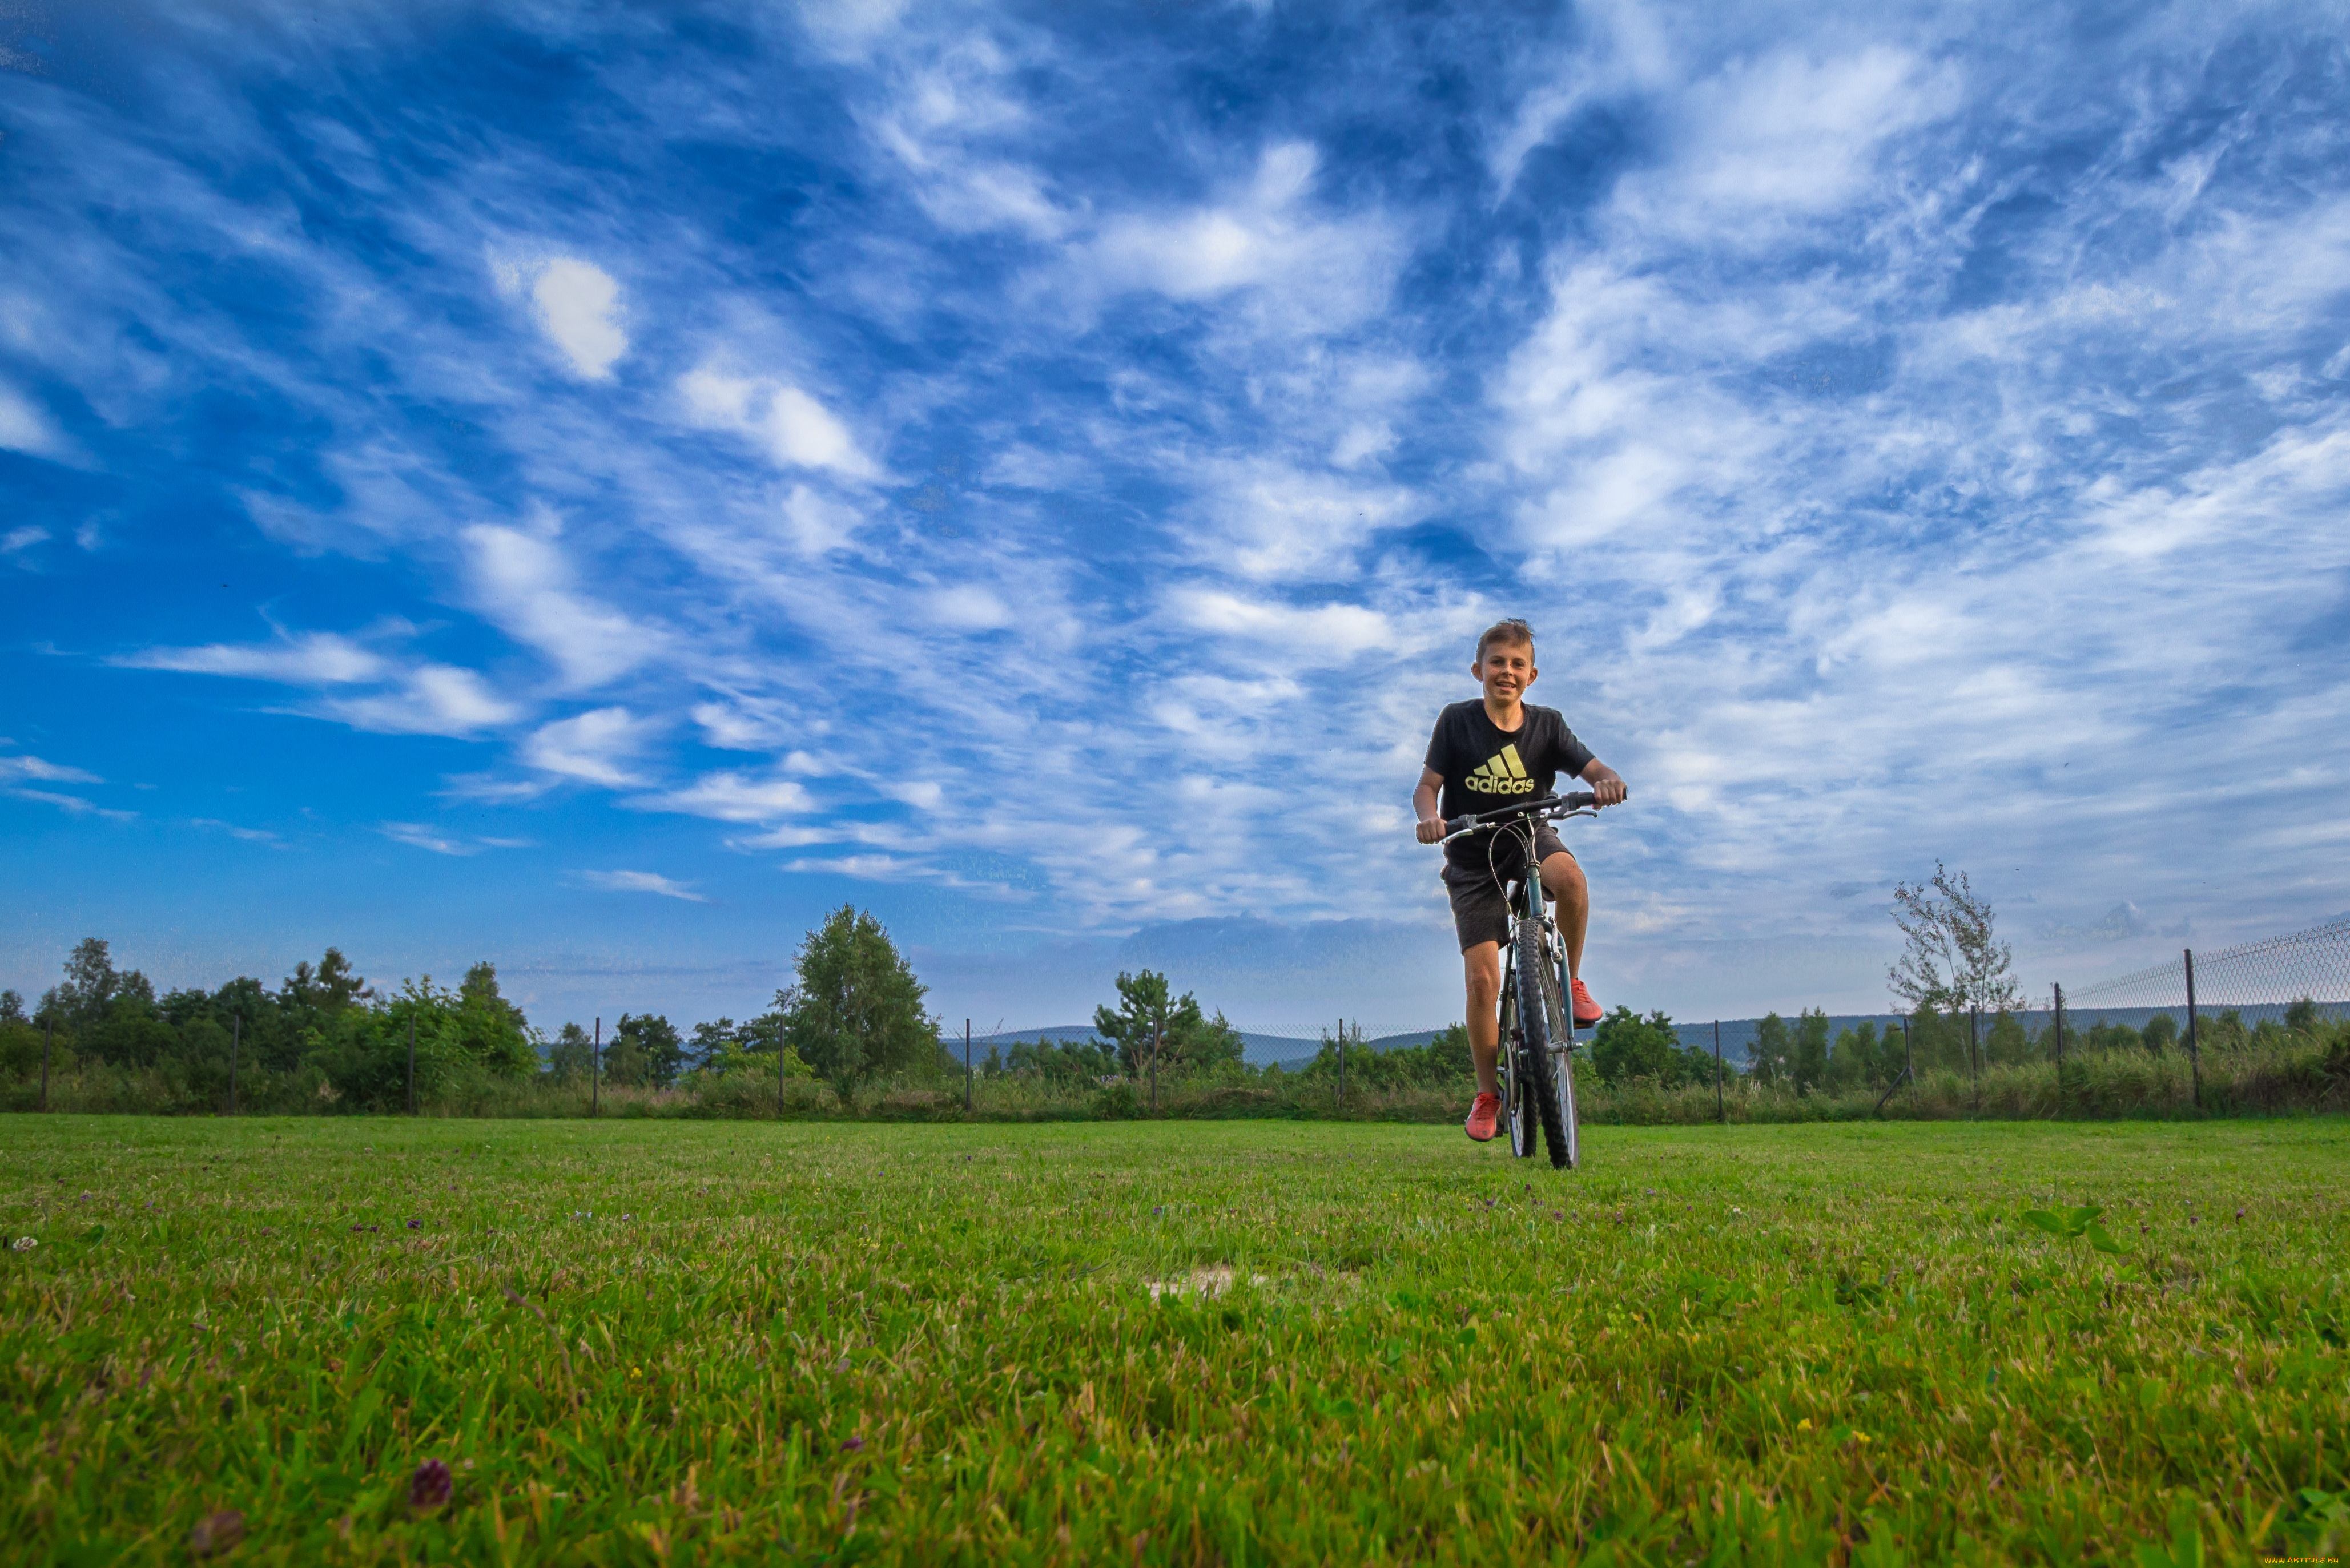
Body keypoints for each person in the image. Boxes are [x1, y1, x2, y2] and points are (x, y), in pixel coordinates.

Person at [1412, 618, 1627, 1143]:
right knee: (1483, 978)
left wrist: (1607, 782)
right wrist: (1428, 818)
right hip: (1471, 851)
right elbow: (1426, 787)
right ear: (1478, 670)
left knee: (1571, 882)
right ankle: (1489, 1093)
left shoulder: (1548, 725)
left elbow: (1592, 767)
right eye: (1497, 662)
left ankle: (1568, 982)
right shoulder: (1456, 722)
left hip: (1529, 834)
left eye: (1517, 664)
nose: (1506, 672)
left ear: (1532, 675)